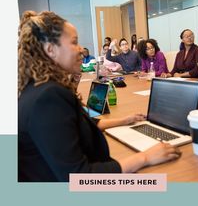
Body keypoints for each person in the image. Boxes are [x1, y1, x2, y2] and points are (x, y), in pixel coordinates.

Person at [18, 11, 180, 182]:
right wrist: (145, 157)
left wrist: (125, 120)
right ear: (50, 49)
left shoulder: (39, 89)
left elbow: (80, 124)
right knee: (158, 184)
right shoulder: (48, 97)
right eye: (74, 42)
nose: (81, 49)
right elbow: (79, 177)